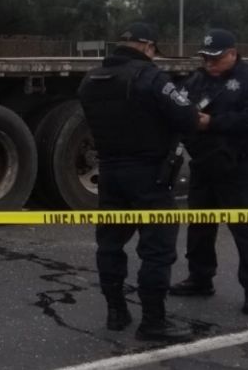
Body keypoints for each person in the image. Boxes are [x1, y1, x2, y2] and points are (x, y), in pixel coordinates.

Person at [78, 22, 199, 342]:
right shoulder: (150, 77)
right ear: (147, 47)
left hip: (110, 175)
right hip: (149, 175)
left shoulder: (90, 80)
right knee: (157, 249)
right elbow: (187, 118)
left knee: (109, 246)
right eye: (154, 51)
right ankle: (154, 322)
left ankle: (116, 312)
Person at [170, 29, 248, 316]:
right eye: (205, 58)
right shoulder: (198, 79)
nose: (209, 64)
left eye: (215, 58)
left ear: (232, 53)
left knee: (247, 229)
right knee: (201, 225)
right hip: (205, 163)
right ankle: (200, 278)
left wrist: (212, 123)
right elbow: (182, 110)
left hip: (240, 165)